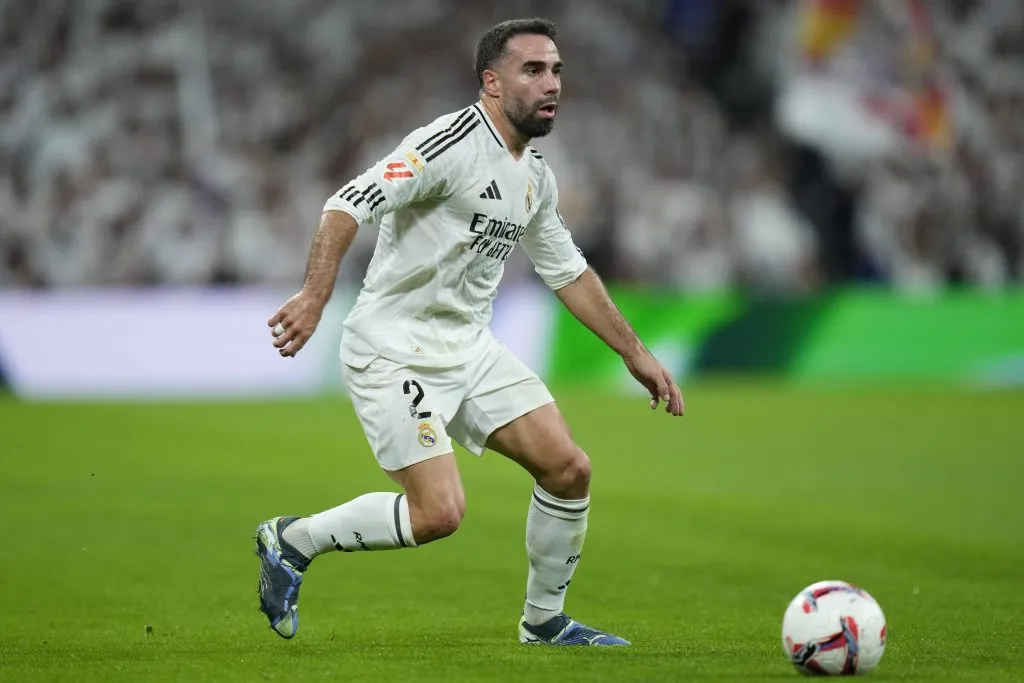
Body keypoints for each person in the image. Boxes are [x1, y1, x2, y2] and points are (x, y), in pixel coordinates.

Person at [255, 17, 684, 647]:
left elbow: (567, 270)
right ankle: (293, 539)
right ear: (492, 82)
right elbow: (346, 204)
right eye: (533, 70)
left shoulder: (534, 175)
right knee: (439, 514)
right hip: (393, 349)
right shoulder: (446, 145)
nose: (552, 84)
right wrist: (316, 296)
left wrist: (635, 351)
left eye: (557, 70)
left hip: (469, 348)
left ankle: (544, 622)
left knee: (568, 469)